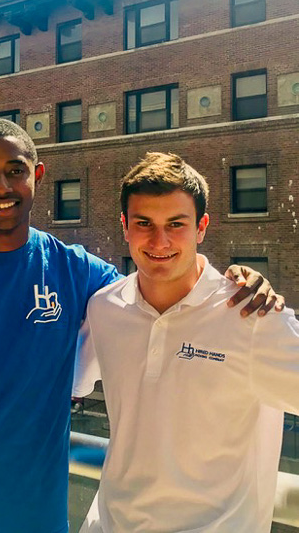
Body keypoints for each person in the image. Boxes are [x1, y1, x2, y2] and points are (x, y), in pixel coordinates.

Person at [0, 121, 281, 533]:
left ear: (36, 175)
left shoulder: (75, 272)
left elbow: (159, 284)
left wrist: (231, 283)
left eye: (15, 171)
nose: (2, 187)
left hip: (40, 522)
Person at [75, 152, 298, 533]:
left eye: (176, 224)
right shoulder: (104, 308)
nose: (159, 240)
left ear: (201, 227)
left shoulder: (254, 315)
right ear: (125, 227)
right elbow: (66, 387)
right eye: (144, 223)